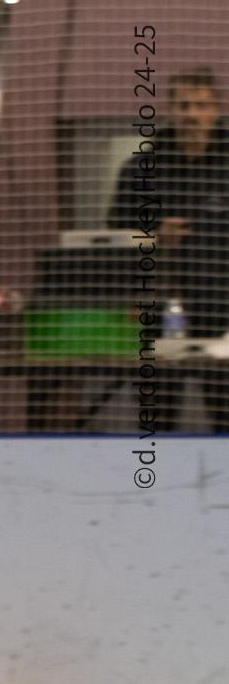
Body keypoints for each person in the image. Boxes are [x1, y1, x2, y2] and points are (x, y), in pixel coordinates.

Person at [107, 68, 229, 431]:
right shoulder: (141, 170)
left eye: (201, 106)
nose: (192, 114)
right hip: (155, 314)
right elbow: (111, 239)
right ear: (171, 110)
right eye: (184, 105)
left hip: (221, 316)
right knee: (156, 424)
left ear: (215, 110)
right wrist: (154, 238)